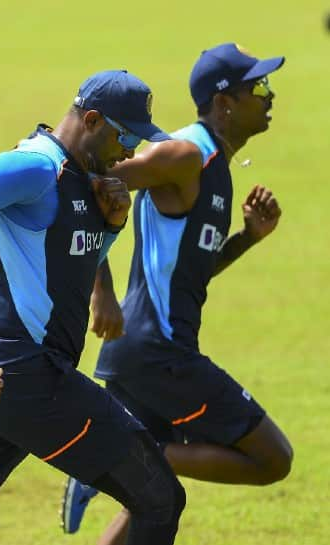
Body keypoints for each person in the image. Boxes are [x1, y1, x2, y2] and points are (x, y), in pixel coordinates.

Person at [0, 71, 187, 545]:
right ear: (91, 120)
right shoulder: (34, 168)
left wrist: (113, 226)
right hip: (29, 376)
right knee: (159, 496)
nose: (132, 152)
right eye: (126, 136)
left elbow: (68, 261)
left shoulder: (87, 178)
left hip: (3, 382)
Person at [63, 44, 293, 543]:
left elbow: (191, 273)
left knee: (150, 505)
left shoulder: (213, 167)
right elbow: (85, 179)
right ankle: (121, 454)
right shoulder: (185, 153)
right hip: (157, 353)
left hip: (145, 352)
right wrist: (99, 288)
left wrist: (248, 239)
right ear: (224, 103)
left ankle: (127, 456)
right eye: (259, 88)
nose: (270, 97)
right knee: (273, 458)